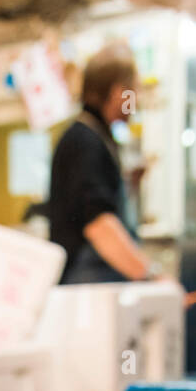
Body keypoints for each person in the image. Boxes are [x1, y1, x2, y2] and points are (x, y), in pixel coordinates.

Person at [48, 42, 159, 286]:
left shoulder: (99, 137)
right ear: (119, 91)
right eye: (133, 91)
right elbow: (98, 224)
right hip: (86, 286)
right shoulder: (84, 139)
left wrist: (129, 186)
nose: (135, 101)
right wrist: (150, 276)